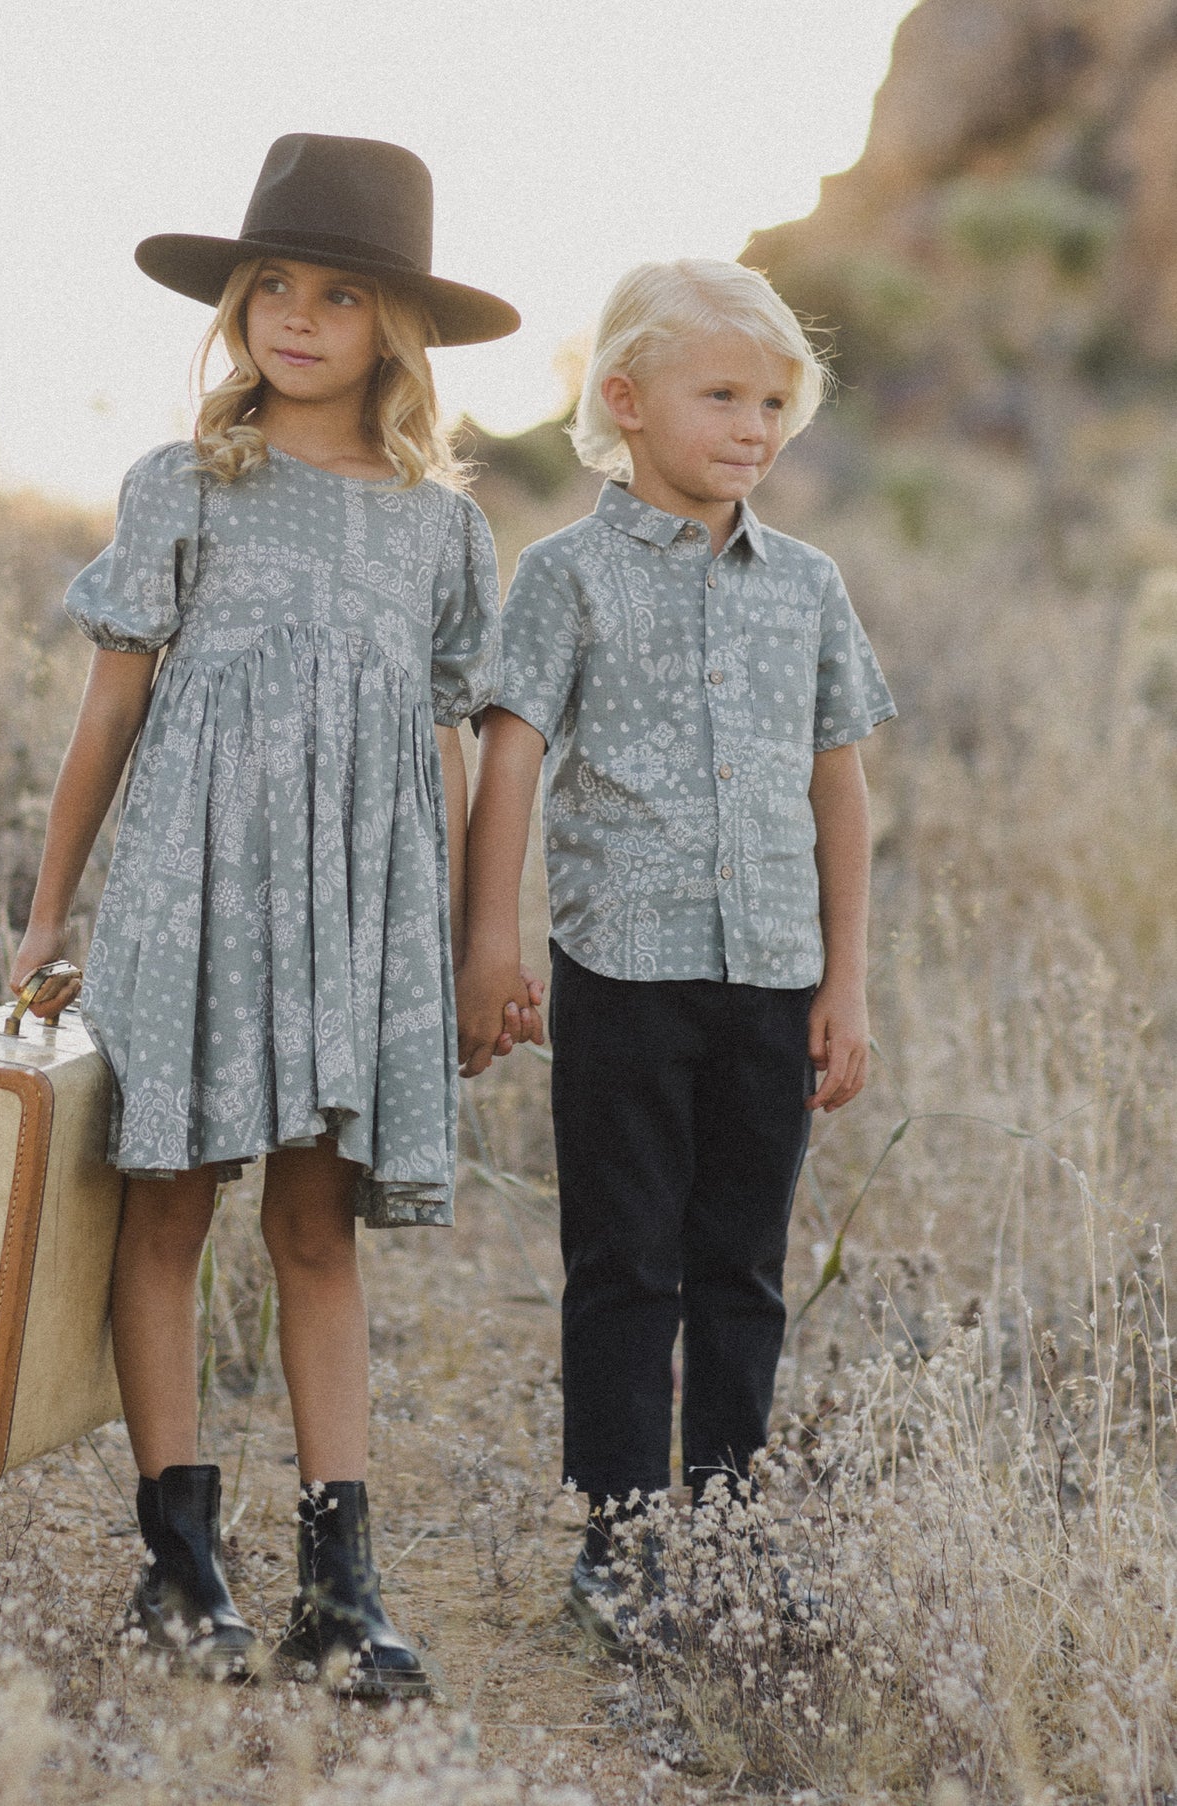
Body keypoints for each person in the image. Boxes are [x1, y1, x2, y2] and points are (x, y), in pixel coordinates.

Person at [12, 134, 536, 1695]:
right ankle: (180, 1573)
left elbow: (448, 745)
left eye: (340, 293)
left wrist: (455, 941)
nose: (297, 317)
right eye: (271, 288)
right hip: (191, 887)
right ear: (235, 307)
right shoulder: (184, 485)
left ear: (394, 328)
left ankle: (341, 1584)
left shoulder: (441, 530)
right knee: (164, 1208)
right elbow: (106, 720)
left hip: (355, 918)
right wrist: (46, 909)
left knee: (316, 1225)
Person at [457, 258, 895, 1645]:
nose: (753, 425)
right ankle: (618, 1531)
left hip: (771, 972)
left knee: (741, 1264)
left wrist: (847, 979)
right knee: (624, 1258)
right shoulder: (566, 577)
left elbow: (841, 785)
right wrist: (490, 940)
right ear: (626, 402)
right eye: (722, 395)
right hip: (620, 971)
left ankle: (725, 1522)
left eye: (774, 400)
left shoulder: (807, 585)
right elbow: (509, 756)